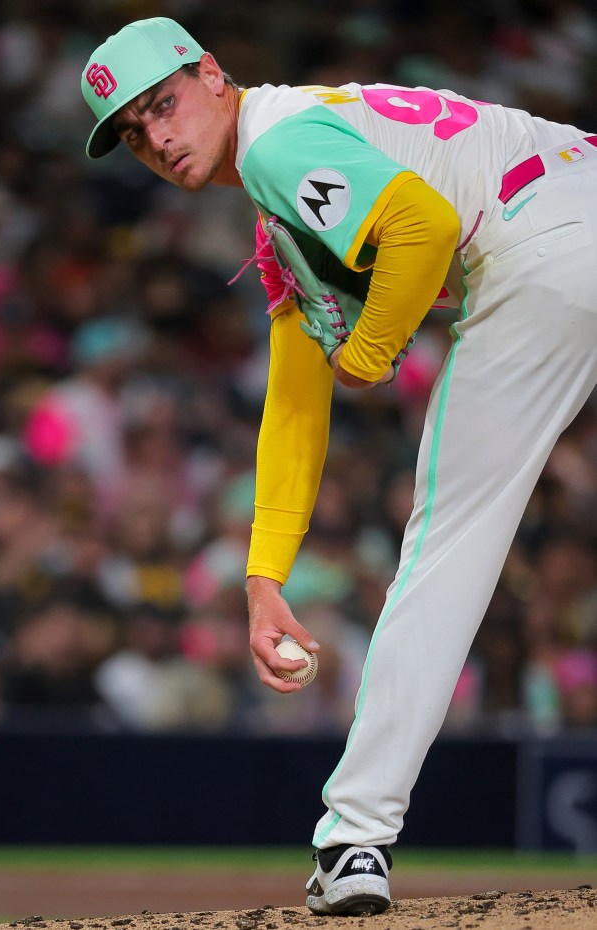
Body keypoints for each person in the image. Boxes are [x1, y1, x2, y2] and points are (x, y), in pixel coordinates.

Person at [81, 16, 597, 916]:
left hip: (538, 245)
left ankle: (356, 838)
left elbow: (425, 226)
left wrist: (370, 349)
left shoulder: (277, 143)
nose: (158, 139)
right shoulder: (294, 188)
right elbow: (292, 406)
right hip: (573, 184)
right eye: (134, 132)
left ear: (213, 74)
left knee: (447, 545)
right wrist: (264, 577)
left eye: (163, 104)